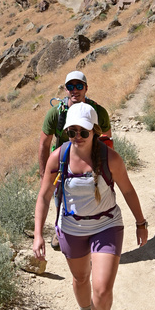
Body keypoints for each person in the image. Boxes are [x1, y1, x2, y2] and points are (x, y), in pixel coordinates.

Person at [33, 103, 148, 310]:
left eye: (82, 132)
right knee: (80, 278)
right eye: (71, 132)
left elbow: (128, 191)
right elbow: (43, 196)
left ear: (94, 131)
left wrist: (140, 222)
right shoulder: (59, 158)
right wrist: (38, 234)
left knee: (103, 288)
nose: (77, 138)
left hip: (106, 226)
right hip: (73, 228)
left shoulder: (110, 159)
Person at [39, 70, 112, 250]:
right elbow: (44, 144)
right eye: (70, 86)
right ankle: (61, 229)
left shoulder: (99, 112)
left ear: (86, 88)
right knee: (59, 196)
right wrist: (44, 175)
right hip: (62, 161)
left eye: (79, 86)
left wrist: (109, 170)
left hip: (91, 159)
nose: (75, 90)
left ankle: (94, 231)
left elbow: (107, 140)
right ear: (65, 89)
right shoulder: (55, 114)